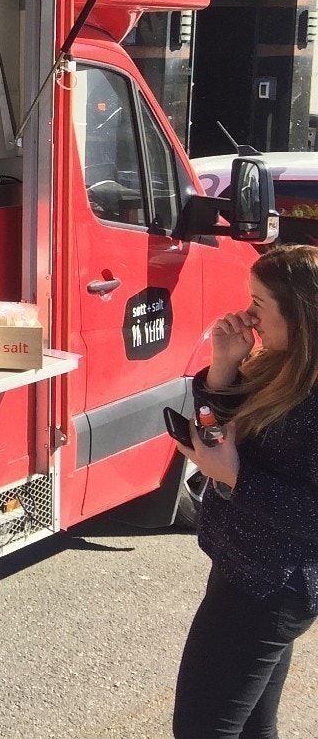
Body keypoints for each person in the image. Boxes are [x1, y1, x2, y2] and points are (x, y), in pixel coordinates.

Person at [171, 244, 318, 739]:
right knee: (254, 727)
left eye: (258, 302)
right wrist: (223, 365)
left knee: (201, 729)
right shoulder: (282, 362)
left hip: (272, 586)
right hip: (249, 567)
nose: (247, 314)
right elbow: (221, 427)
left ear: (300, 312)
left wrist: (236, 477)